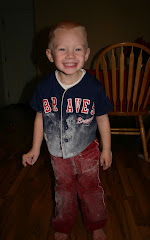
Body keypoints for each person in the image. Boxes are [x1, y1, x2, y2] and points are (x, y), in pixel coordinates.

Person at [22, 21, 113, 240]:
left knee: (91, 189)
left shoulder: (93, 87)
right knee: (63, 191)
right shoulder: (44, 87)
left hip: (87, 151)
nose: (70, 55)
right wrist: (35, 148)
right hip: (57, 154)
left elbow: (102, 118)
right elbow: (39, 118)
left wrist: (107, 149)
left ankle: (96, 224)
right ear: (50, 55)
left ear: (87, 53)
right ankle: (62, 225)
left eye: (77, 49)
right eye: (62, 48)